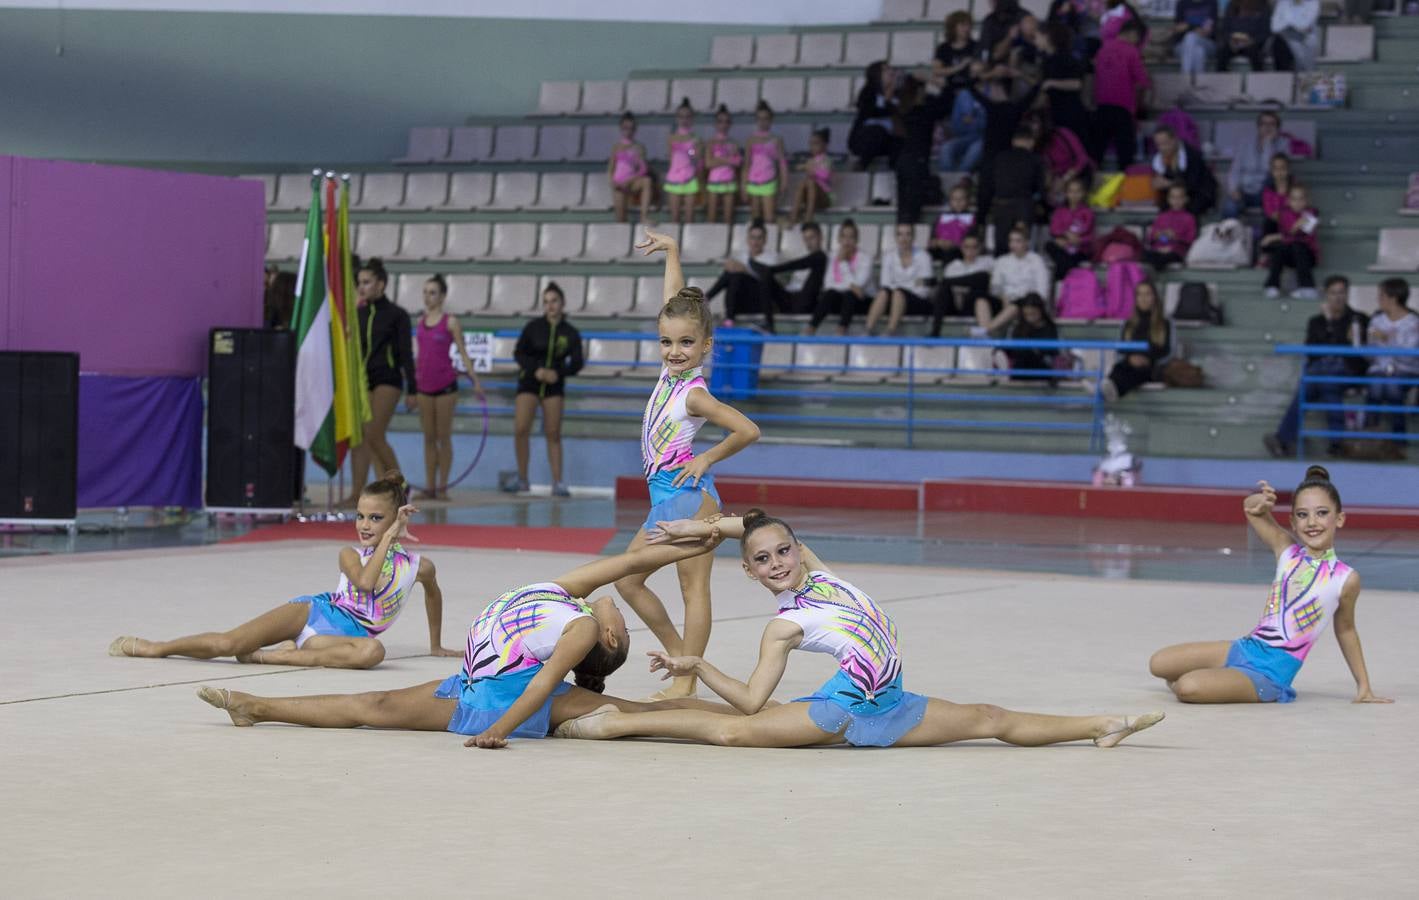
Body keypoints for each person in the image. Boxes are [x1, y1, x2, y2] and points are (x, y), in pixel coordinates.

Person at [555, 510, 1165, 750]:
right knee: (732, 729)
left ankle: (1101, 725)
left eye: (783, 551)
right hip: (840, 712)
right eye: (763, 560)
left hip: (892, 703)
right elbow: (749, 699)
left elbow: (761, 523)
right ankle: (619, 722)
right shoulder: (784, 627)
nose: (777, 563)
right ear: (750, 572)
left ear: (798, 548)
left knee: (989, 716)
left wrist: (706, 523)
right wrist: (697, 667)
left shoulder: (820, 575)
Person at [196, 527, 735, 747]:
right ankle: (258, 707)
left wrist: (496, 732)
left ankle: (746, 715)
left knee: (638, 714)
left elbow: (540, 684)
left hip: (497, 702)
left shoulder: (583, 625)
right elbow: (633, 559)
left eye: (623, 628)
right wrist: (699, 540)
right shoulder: (564, 593)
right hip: (470, 683)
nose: (620, 610)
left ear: (611, 639)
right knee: (373, 701)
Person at [615, 228, 762, 699]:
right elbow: (672, 301)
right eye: (666, 342)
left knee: (689, 590)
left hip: (689, 500)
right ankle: (686, 665)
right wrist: (672, 253)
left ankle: (684, 680)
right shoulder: (669, 372)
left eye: (685, 343)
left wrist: (707, 457)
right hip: (666, 498)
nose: (674, 351)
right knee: (629, 580)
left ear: (705, 346)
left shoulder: (694, 393)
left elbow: (748, 429)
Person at [110, 472, 458, 667]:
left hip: (340, 640)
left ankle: (276, 658)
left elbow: (434, 593)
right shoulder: (349, 554)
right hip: (313, 612)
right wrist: (389, 535)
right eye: (360, 516)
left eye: (376, 518)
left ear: (395, 517)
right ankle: (158, 647)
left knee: (373, 653)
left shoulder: (417, 567)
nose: (364, 525)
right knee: (229, 643)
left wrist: (436, 644)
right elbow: (366, 585)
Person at [1148, 468, 1391, 705]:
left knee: (1187, 687)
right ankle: (1222, 677)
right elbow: (1251, 509)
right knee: (1158, 664)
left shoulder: (1346, 578)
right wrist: (1261, 501)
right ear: (1292, 522)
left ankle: (1225, 682)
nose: (1312, 522)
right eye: (1302, 515)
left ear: (1339, 518)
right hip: (1244, 648)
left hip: (1271, 673)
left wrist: (1364, 687)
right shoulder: (1286, 549)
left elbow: (1346, 630)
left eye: (1322, 513)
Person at [1264, 275, 1368, 459]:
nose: (1338, 297)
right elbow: (1312, 352)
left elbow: (1352, 351)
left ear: (1347, 294)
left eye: (1341, 292)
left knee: (1317, 380)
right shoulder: (1315, 322)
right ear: (1326, 295)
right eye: (1333, 293)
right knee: (1320, 383)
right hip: (1323, 370)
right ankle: (1336, 443)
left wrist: (1331, 324)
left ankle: (1282, 438)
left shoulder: (1358, 319)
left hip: (1348, 368)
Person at [345, 258, 413, 504]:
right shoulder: (357, 314)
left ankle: (402, 487)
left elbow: (406, 353)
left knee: (375, 434)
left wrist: (413, 388)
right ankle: (357, 492)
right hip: (363, 381)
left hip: (388, 378)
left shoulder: (397, 315)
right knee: (360, 438)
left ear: (381, 284)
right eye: (359, 282)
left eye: (367, 282)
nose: (361, 286)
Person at [506, 282, 584, 496]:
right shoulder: (533, 327)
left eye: (554, 301)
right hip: (529, 383)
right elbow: (519, 353)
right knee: (521, 429)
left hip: (554, 387)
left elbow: (577, 362)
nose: (550, 305)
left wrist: (558, 373)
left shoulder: (570, 333)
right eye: (546, 302)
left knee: (553, 433)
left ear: (562, 303)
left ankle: (557, 482)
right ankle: (522, 479)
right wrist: (536, 370)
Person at [415, 275, 480, 501]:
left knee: (444, 436)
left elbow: (462, 351)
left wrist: (475, 380)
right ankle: (430, 485)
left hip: (445, 386)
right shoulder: (420, 322)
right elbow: (419, 356)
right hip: (424, 386)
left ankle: (443, 485)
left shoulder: (450, 321)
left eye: (432, 292)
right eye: (425, 292)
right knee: (428, 438)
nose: (428, 297)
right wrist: (414, 385)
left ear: (442, 296)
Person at [1360, 278, 1419, 457]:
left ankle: (1399, 441)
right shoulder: (1376, 321)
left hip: (1405, 371)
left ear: (1394, 298)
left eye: (1382, 295)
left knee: (1392, 386)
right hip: (1379, 370)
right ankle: (1370, 439)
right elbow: (1370, 356)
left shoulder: (1413, 322)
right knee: (1377, 385)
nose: (1379, 299)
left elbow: (1410, 356)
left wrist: (1387, 339)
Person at [1089, 20, 1151, 169]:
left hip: (1102, 106)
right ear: (1133, 34)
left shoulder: (1102, 49)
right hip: (1123, 107)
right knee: (1125, 156)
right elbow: (1143, 81)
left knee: (1096, 153)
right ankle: (1125, 188)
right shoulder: (1131, 51)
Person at [979, 126, 1047, 258]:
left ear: (1013, 141)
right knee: (1021, 246)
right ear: (1031, 142)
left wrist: (984, 212)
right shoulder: (1035, 159)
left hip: (1001, 206)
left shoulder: (999, 158)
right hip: (1024, 207)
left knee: (1001, 247)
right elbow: (1040, 189)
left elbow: (988, 185)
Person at [893, 75, 952, 224]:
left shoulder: (902, 109)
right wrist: (938, 84)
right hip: (917, 161)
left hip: (902, 160)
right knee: (913, 208)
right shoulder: (924, 111)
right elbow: (947, 104)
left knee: (903, 207)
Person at [1101, 280, 1172, 401]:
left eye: (1147, 294)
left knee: (1137, 371)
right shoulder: (1128, 324)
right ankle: (1106, 388)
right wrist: (1131, 357)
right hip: (1129, 363)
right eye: (1140, 294)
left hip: (1151, 367)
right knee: (1119, 367)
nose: (1143, 298)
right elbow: (1121, 347)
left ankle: (1111, 391)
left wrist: (1146, 358)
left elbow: (1166, 350)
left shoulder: (1164, 324)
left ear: (1154, 297)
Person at [976, 226, 1052, 335]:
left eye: (1018, 241)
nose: (1013, 244)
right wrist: (1002, 296)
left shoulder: (1037, 261)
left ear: (1027, 242)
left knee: (1016, 304)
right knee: (981, 300)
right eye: (1011, 241)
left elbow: (1042, 292)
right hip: (1004, 300)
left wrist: (1025, 299)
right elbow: (994, 287)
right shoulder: (1001, 261)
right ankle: (985, 330)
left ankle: (987, 330)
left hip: (1027, 302)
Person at [806, 219, 875, 336]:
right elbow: (828, 284)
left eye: (851, 237)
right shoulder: (832, 256)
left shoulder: (865, 258)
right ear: (838, 239)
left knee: (849, 295)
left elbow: (859, 286)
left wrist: (843, 262)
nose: (847, 241)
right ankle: (811, 328)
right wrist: (850, 286)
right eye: (844, 237)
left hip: (862, 301)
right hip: (838, 299)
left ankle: (841, 331)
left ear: (857, 240)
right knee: (830, 293)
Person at [706, 219, 778, 330]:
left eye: (759, 238)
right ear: (748, 239)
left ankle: (707, 299)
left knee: (737, 274)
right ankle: (728, 318)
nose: (755, 242)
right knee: (733, 275)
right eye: (752, 237)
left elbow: (770, 284)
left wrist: (745, 270)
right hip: (742, 302)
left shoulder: (772, 258)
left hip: (760, 303)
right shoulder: (741, 256)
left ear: (765, 240)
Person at [866, 223, 933, 335]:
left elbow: (924, 289)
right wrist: (910, 284)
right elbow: (885, 284)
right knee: (883, 293)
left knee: (898, 293)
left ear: (913, 237)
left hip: (917, 300)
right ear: (896, 237)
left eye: (908, 234)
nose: (904, 238)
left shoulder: (924, 257)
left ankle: (890, 331)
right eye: (900, 234)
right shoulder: (888, 256)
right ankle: (868, 329)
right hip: (893, 299)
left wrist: (901, 289)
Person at [758, 222, 828, 322]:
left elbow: (800, 264)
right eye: (806, 239)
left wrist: (774, 269)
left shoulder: (824, 258)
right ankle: (768, 323)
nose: (809, 243)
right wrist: (769, 271)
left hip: (808, 302)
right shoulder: (801, 256)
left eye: (812, 238)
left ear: (820, 237)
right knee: (765, 275)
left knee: (819, 258)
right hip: (790, 300)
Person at [1223, 112, 1288, 219]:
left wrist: (1268, 144)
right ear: (1258, 126)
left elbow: (1270, 169)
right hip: (1244, 191)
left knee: (1271, 177)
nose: (1267, 127)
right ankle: (1227, 235)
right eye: (1264, 123)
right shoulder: (1245, 143)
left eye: (1272, 124)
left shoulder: (1283, 144)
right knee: (1230, 207)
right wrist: (1233, 189)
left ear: (1278, 128)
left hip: (1266, 194)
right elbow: (1235, 170)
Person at [1261, 184, 1320, 300]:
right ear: (1288, 201)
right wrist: (1293, 229)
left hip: (1308, 256)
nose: (1297, 202)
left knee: (1298, 246)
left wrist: (1277, 236)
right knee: (1280, 248)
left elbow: (1302, 236)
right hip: (1289, 255)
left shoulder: (1312, 214)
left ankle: (1308, 288)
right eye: (1294, 199)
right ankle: (1272, 286)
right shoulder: (1284, 214)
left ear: (1306, 200)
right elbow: (1288, 234)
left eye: (1301, 199)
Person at [932, 230, 995, 336]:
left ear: (980, 248)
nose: (970, 251)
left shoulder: (987, 262)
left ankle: (984, 334)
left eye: (974, 247)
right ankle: (935, 331)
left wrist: (950, 282)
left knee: (980, 282)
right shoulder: (953, 266)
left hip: (976, 303)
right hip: (956, 304)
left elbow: (986, 282)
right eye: (966, 247)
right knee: (944, 290)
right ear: (961, 247)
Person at [1036, 23, 1091, 144]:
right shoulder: (1047, 59)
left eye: (1038, 37)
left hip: (1069, 112)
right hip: (1057, 111)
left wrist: (1052, 83)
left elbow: (1076, 83)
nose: (1036, 41)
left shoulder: (1065, 57)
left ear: (1048, 37)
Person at [1149, 124, 1217, 216]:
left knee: (1187, 207)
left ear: (1174, 140)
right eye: (1159, 145)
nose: (1162, 148)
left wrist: (1170, 184)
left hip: (1197, 193)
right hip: (1175, 195)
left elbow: (1193, 183)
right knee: (1164, 208)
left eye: (1165, 143)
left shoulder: (1192, 155)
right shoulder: (1159, 159)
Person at [848, 60, 900, 171]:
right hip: (865, 137)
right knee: (876, 131)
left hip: (888, 138)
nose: (891, 72)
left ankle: (895, 174)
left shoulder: (899, 94)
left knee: (900, 141)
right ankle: (862, 165)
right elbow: (870, 112)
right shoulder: (868, 92)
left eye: (891, 69)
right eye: (886, 70)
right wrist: (887, 101)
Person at [742, 101, 789, 224]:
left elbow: (782, 163)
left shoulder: (776, 140)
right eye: (760, 119)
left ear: (771, 120)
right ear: (756, 120)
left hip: (769, 181)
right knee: (755, 218)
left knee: (769, 218)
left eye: (766, 119)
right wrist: (744, 185)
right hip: (753, 182)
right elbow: (746, 164)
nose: (763, 122)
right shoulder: (751, 140)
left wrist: (784, 181)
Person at [1004, 293, 1061, 381]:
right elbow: (1013, 351)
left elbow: (1053, 352)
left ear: (1041, 311)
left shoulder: (1050, 328)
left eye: (1033, 314)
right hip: (1021, 367)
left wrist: (1035, 350)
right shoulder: (1019, 327)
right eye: (1027, 315)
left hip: (1041, 367)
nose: (1030, 318)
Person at [608, 112, 652, 224]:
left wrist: (630, 180)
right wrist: (613, 182)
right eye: (625, 128)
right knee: (621, 220)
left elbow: (643, 169)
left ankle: (644, 216)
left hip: (632, 181)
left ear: (635, 130)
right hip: (619, 183)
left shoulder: (638, 147)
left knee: (647, 181)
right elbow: (611, 168)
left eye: (631, 128)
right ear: (621, 128)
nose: (628, 131)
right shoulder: (616, 147)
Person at [1046, 177, 1096, 274]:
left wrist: (1079, 241)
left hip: (1080, 249)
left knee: (1062, 262)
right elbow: (1054, 229)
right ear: (1066, 193)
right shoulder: (1060, 211)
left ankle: (1063, 281)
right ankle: (1072, 274)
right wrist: (1066, 234)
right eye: (1071, 191)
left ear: (1083, 193)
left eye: (1078, 191)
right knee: (1049, 245)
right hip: (1063, 246)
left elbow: (1090, 236)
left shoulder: (1087, 212)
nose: (1074, 195)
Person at [664, 98, 702, 224]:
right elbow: (670, 159)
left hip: (690, 177)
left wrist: (691, 150)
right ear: (677, 118)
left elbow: (697, 159)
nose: (684, 120)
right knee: (674, 219)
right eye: (681, 117)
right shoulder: (671, 138)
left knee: (690, 218)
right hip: (674, 177)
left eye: (687, 117)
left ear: (692, 119)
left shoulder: (696, 138)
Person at [1142, 184, 1198, 270]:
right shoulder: (1162, 216)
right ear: (1168, 199)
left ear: (1186, 199)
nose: (1176, 201)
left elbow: (1190, 240)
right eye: (1173, 197)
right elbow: (1152, 237)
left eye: (1179, 197)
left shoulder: (1189, 218)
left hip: (1176, 251)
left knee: (1165, 258)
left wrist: (1175, 237)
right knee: (1144, 255)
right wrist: (1159, 236)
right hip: (1158, 250)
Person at [704, 105, 742, 225]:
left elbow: (738, 163)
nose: (723, 125)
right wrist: (728, 159)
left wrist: (719, 159)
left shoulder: (734, 143)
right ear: (715, 124)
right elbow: (708, 163)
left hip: (729, 182)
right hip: (714, 181)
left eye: (726, 122)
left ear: (730, 124)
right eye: (720, 121)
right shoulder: (710, 142)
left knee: (728, 219)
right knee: (711, 218)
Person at [938, 83, 986, 173]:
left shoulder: (988, 95)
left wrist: (973, 120)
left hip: (982, 138)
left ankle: (960, 179)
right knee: (945, 148)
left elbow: (985, 124)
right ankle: (948, 179)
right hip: (963, 137)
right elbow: (957, 125)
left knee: (975, 150)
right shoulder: (964, 95)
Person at [1217, 0, 1276, 73]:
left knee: (1255, 54)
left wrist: (1251, 41)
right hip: (1233, 43)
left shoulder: (1264, 5)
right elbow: (1225, 29)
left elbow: (1265, 32)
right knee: (1222, 52)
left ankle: (1258, 81)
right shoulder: (1232, 4)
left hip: (1253, 43)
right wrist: (1230, 41)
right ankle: (1222, 81)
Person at [790, 128, 833, 225]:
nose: (812, 147)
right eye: (811, 144)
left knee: (810, 183)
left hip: (824, 196)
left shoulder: (826, 160)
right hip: (812, 195)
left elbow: (825, 175)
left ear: (825, 145)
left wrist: (810, 169)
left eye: (816, 143)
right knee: (803, 184)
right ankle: (794, 215)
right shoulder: (810, 161)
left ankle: (808, 217)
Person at [930, 183, 977, 265]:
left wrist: (953, 244)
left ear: (967, 201)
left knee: (950, 253)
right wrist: (938, 242)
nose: (958, 202)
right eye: (954, 199)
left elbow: (972, 241)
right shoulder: (941, 217)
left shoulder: (971, 219)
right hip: (939, 249)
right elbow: (932, 239)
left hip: (959, 251)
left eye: (961, 199)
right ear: (949, 201)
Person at [932, 10, 979, 94]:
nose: (967, 28)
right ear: (953, 27)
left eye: (969, 25)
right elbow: (937, 70)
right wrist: (960, 66)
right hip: (948, 89)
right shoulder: (943, 48)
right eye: (963, 25)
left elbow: (980, 68)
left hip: (970, 89)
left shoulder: (975, 46)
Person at [1271, 0, 1321, 72]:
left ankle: (1306, 75)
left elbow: (1307, 23)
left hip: (1305, 35)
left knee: (1307, 46)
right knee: (1279, 45)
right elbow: (1275, 25)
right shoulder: (1283, 3)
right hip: (1286, 35)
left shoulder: (1313, 3)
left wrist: (1288, 24)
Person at [1172, 0, 1218, 75]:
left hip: (1207, 44)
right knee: (1199, 51)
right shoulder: (1182, 3)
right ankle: (1200, 81)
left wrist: (1188, 26)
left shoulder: (1212, 2)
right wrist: (1195, 28)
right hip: (1181, 46)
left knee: (1190, 37)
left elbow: (1208, 31)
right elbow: (1178, 28)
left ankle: (1185, 78)